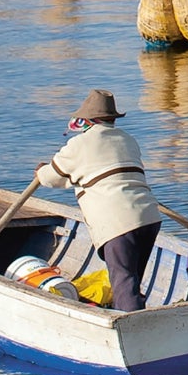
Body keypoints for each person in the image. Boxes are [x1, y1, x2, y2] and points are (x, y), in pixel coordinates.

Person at [34, 89, 167, 312]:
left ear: (86, 120)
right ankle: (131, 315)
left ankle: (131, 328)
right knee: (132, 279)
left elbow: (50, 178)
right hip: (148, 216)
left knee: (124, 282)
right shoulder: (128, 139)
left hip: (118, 222)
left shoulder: (79, 144)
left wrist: (41, 171)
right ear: (112, 118)